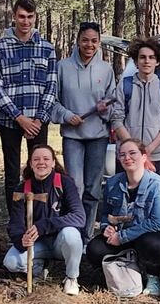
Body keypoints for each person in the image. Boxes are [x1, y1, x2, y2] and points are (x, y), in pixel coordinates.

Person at [49, 22, 117, 242]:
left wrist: (104, 109)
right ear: (78, 40)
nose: (90, 45)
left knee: (93, 187)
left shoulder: (106, 70)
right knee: (75, 185)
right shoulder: (62, 67)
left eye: (94, 41)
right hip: (72, 137)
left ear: (99, 43)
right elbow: (52, 101)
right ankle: (73, 233)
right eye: (85, 40)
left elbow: (112, 102)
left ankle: (86, 236)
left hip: (98, 136)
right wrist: (67, 115)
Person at [0, 0, 58, 214]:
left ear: (35, 17)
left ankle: (39, 219)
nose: (25, 21)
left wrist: (38, 119)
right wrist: (19, 118)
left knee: (40, 170)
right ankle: (16, 222)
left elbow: (51, 85)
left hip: (38, 122)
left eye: (30, 17)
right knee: (11, 174)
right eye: (21, 16)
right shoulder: (0, 47)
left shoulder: (46, 48)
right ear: (14, 17)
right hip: (10, 121)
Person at [86, 138, 160, 296]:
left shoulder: (158, 185)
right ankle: (125, 271)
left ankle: (153, 276)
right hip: (121, 234)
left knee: (154, 244)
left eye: (133, 153)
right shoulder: (112, 183)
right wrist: (107, 227)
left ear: (144, 157)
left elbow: (158, 222)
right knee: (94, 249)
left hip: (148, 235)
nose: (127, 158)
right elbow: (107, 214)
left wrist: (122, 236)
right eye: (122, 154)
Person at [4, 144, 86, 296]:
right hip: (38, 243)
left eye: (46, 159)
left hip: (61, 242)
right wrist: (21, 239)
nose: (41, 162)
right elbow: (15, 223)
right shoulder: (22, 189)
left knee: (72, 235)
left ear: (53, 162)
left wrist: (44, 225)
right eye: (36, 159)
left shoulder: (64, 182)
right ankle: (40, 266)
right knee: (11, 262)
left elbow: (79, 217)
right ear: (30, 163)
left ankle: (72, 277)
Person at [110, 37, 160, 175]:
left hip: (154, 154)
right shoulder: (124, 85)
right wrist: (133, 148)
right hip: (126, 154)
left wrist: (150, 148)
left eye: (151, 57)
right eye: (142, 57)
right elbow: (116, 118)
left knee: (150, 193)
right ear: (135, 61)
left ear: (157, 62)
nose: (147, 61)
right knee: (126, 193)